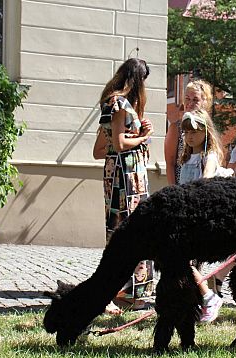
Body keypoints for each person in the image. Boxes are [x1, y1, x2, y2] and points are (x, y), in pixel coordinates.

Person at [92, 58, 154, 315]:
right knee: (130, 232)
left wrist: (138, 129)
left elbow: (99, 150)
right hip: (126, 178)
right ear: (138, 79)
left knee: (120, 232)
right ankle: (119, 293)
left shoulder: (114, 103)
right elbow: (118, 144)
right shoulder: (120, 103)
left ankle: (124, 293)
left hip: (119, 174)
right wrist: (143, 137)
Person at [178, 108, 231, 322]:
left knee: (183, 260)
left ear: (206, 132)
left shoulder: (208, 156)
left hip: (200, 214)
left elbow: (206, 179)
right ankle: (196, 301)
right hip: (186, 214)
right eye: (186, 133)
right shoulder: (187, 158)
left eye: (195, 132)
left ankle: (210, 297)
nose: (190, 136)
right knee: (185, 262)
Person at [165, 79, 213, 185]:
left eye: (195, 100)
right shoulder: (176, 128)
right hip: (181, 185)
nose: (190, 103)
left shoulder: (207, 127)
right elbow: (170, 163)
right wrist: (173, 189)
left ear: (205, 102)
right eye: (187, 99)